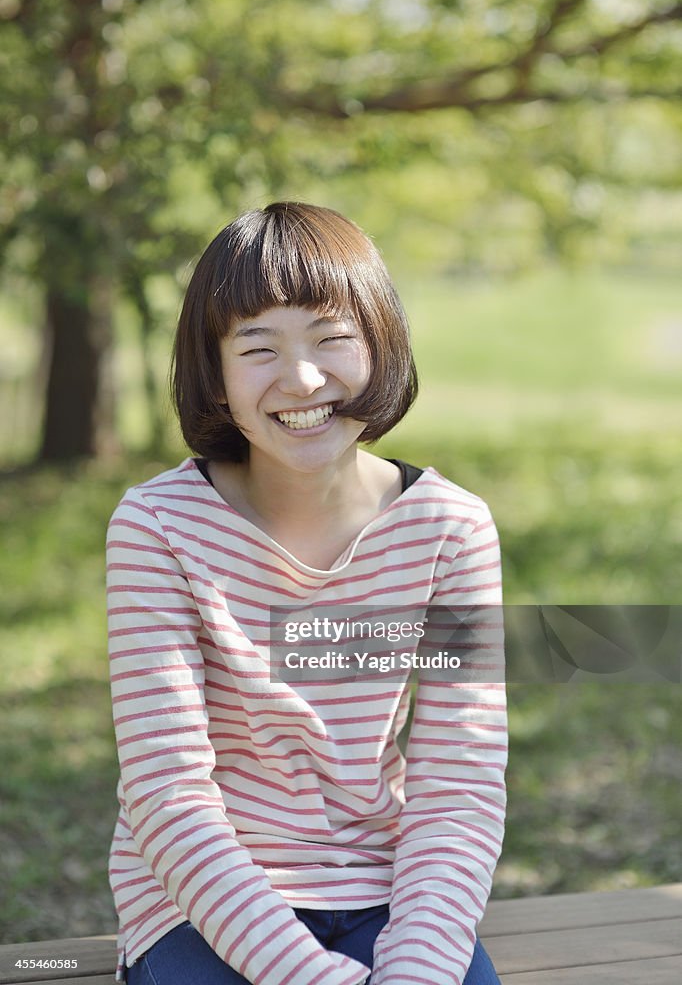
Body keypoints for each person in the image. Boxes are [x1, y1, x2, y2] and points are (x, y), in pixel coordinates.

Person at [106, 202, 507, 985]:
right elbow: (167, 797)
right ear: (215, 376)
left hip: (383, 892)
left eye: (331, 339)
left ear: (380, 344)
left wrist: (414, 971)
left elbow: (458, 784)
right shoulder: (156, 527)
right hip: (200, 902)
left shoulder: (452, 530)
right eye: (258, 348)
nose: (303, 379)